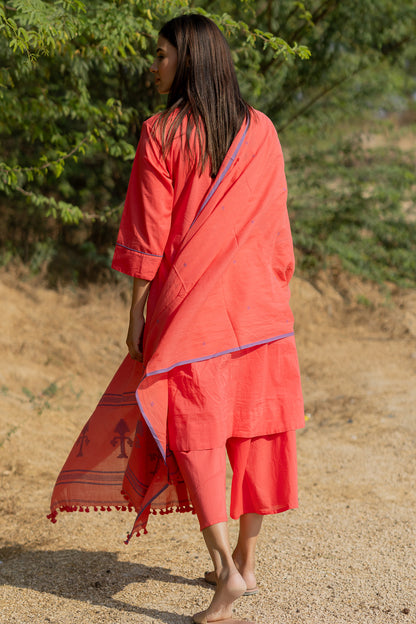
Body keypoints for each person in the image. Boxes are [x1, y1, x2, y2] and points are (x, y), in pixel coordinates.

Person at [49, 14, 304, 624]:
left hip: (193, 315)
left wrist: (136, 311)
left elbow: (147, 233)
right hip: (261, 311)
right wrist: (276, 290)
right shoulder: (262, 130)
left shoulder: (162, 133)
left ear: (188, 60)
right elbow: (277, 228)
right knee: (256, 433)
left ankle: (227, 568)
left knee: (195, 435)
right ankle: (245, 563)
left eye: (161, 55)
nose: (154, 66)